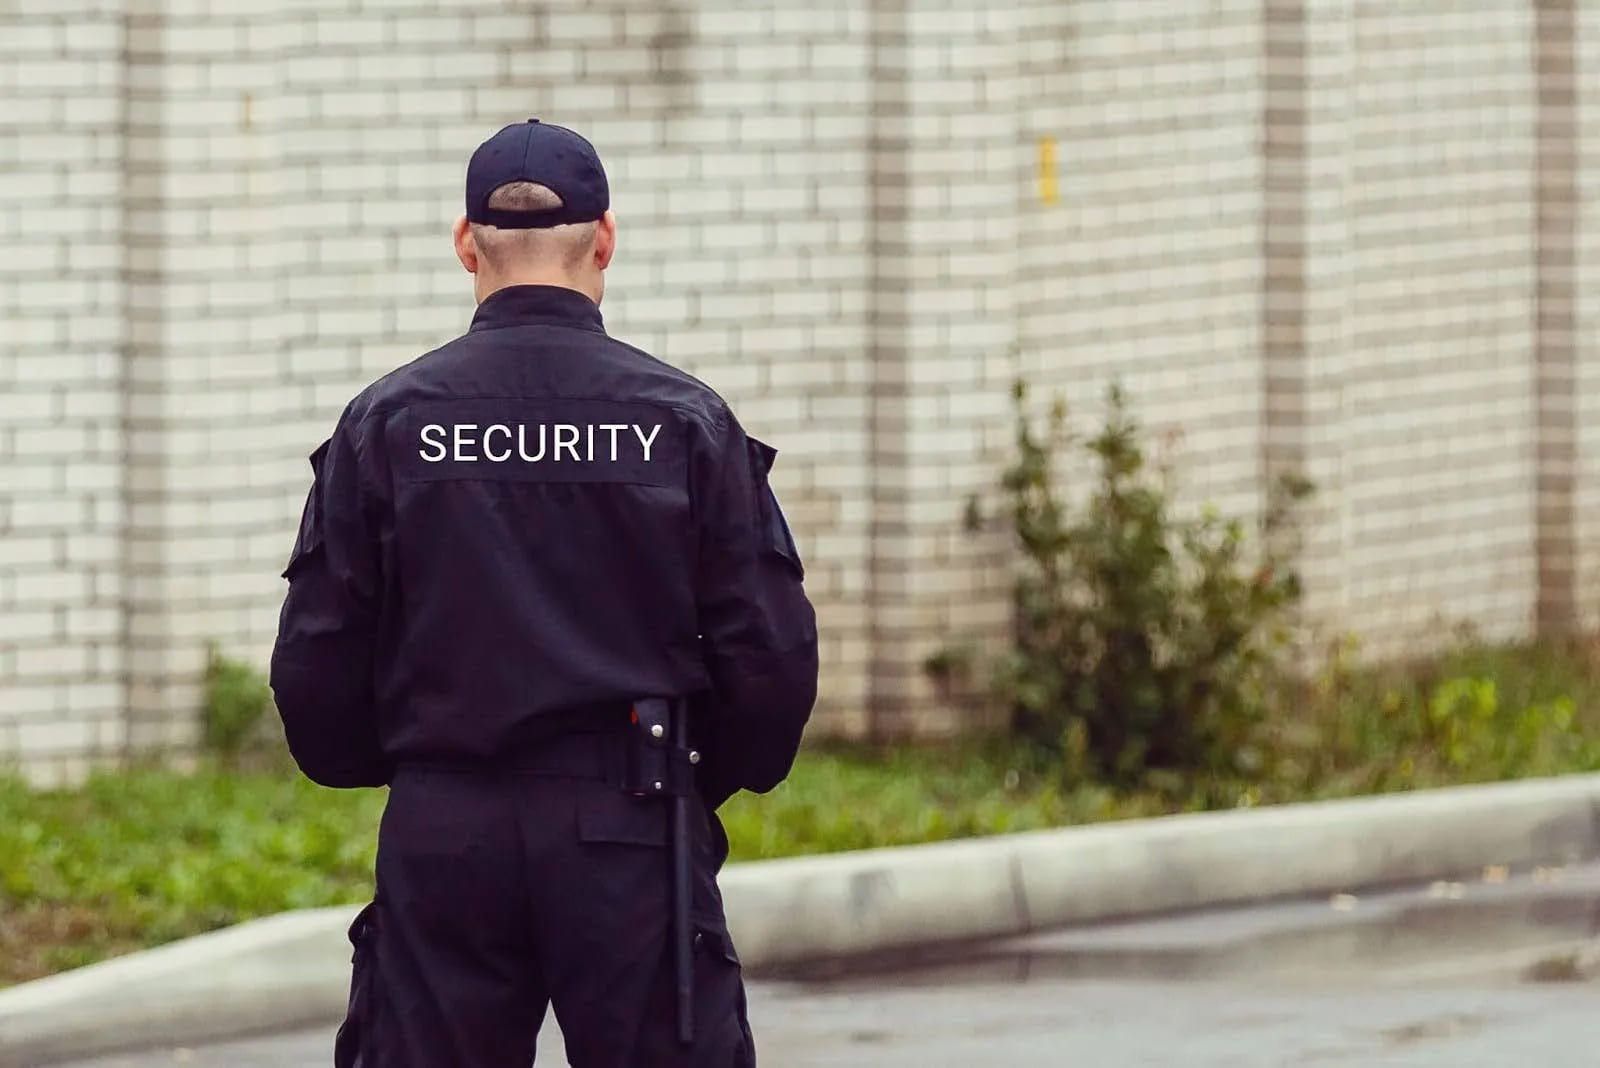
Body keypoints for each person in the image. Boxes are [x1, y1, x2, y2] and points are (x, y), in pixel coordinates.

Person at [269, 118, 819, 1068]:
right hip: (631, 821)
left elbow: (316, 666)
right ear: (604, 241)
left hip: (447, 835)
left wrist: (423, 770)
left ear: (464, 244)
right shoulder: (685, 422)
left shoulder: (389, 424)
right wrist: (691, 783)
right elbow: (769, 662)